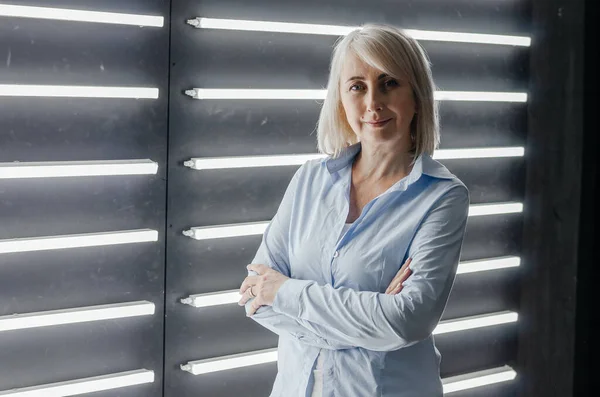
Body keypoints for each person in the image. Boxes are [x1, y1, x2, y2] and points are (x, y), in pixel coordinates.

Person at [237, 23, 469, 397]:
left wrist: (286, 292)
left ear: (417, 95)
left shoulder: (441, 197)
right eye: (357, 86)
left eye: (390, 82)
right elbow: (254, 299)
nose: (373, 103)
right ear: (341, 99)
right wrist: (373, 325)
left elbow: (408, 320)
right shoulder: (309, 181)